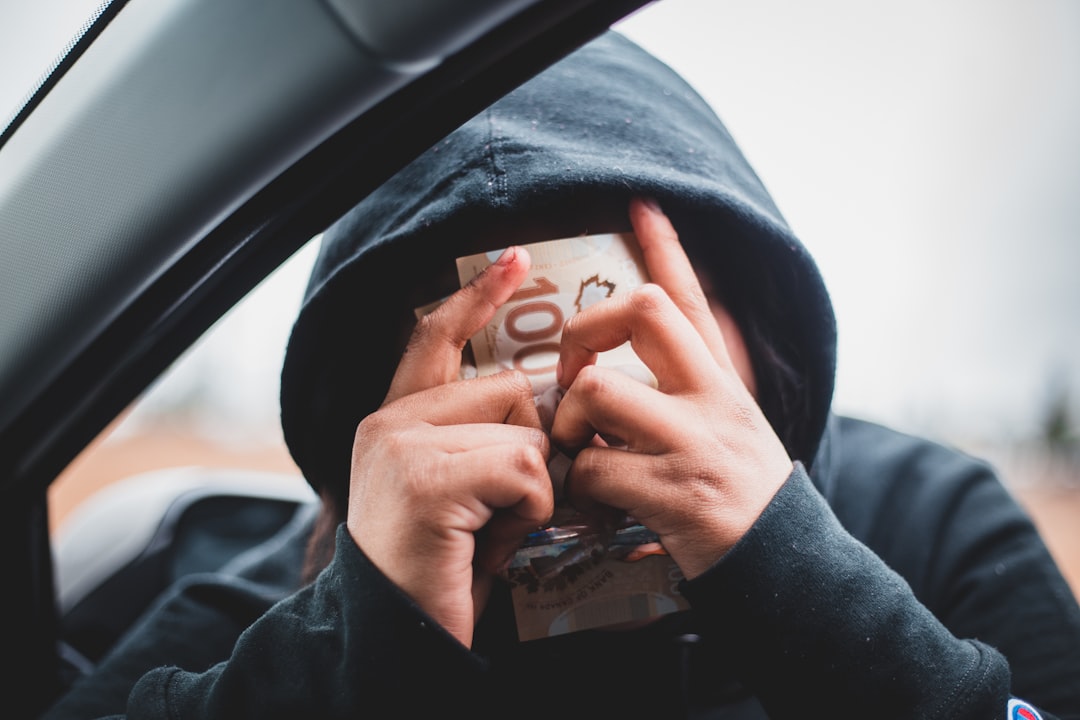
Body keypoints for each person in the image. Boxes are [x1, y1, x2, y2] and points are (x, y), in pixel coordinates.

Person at [42, 31, 1080, 720]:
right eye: (484, 344)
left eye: (630, 311)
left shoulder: (935, 522)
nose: (573, 400)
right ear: (382, 404)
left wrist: (797, 576)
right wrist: (357, 642)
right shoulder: (284, 588)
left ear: (757, 333)